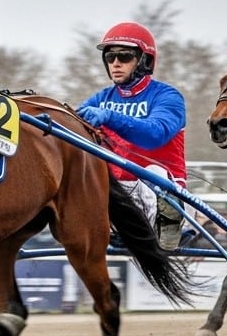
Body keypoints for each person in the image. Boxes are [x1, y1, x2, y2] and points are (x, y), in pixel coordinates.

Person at [75, 21, 189, 251]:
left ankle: (169, 221)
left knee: (153, 173)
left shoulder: (167, 96)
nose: (116, 63)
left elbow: (155, 135)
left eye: (124, 56)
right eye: (110, 57)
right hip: (115, 193)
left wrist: (110, 117)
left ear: (144, 60)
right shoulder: (101, 98)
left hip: (159, 189)